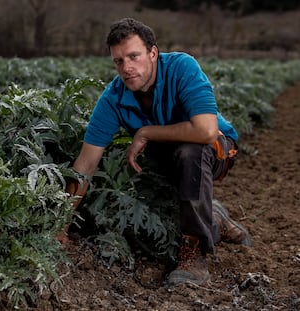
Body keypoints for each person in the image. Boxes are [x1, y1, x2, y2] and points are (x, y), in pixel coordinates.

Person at [62, 17, 252, 286]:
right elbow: (85, 163)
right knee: (136, 183)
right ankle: (213, 217)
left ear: (153, 53)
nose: (126, 68)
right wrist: (62, 224)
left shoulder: (182, 67)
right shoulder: (113, 97)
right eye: (118, 61)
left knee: (190, 153)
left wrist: (146, 132)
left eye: (134, 56)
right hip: (165, 155)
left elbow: (207, 131)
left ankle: (194, 254)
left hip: (216, 148)